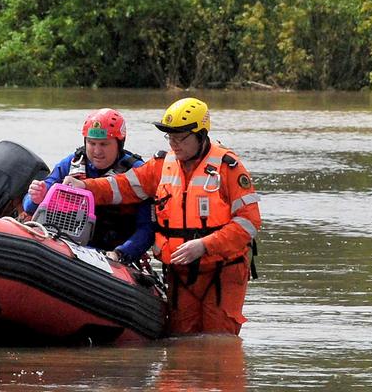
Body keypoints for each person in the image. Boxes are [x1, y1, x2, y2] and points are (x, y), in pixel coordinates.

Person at [63, 97, 260, 336]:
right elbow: (122, 187)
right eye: (170, 137)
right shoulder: (161, 165)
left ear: (200, 134)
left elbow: (248, 223)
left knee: (218, 338)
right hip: (180, 270)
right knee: (180, 338)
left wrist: (204, 245)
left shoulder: (228, 167)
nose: (174, 144)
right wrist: (87, 188)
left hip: (223, 269)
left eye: (180, 137)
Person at [22, 108, 155, 264]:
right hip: (69, 249)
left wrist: (121, 253)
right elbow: (29, 206)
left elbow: (147, 229)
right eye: (91, 143)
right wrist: (37, 196)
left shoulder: (139, 172)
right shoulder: (72, 164)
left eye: (104, 144)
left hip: (113, 255)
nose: (97, 151)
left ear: (119, 144)